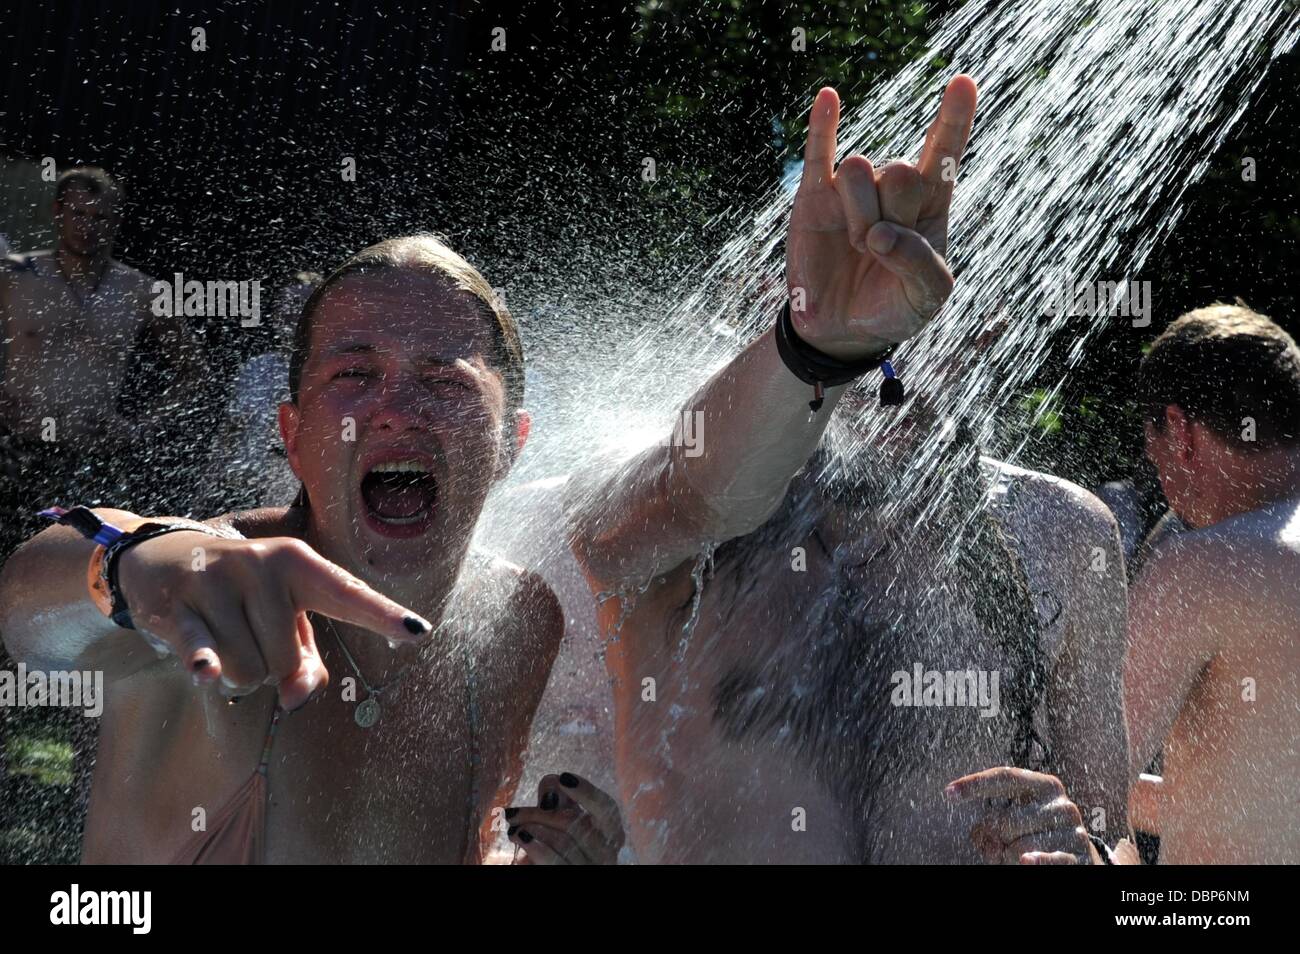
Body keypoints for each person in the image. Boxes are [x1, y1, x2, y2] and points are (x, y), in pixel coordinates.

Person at [569, 76, 1106, 863]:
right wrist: (816, 347)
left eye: (932, 292)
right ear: (778, 296)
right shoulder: (675, 499)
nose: (897, 323)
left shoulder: (1059, 534)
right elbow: (645, 523)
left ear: (990, 328)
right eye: (855, 275)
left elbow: (1117, 839)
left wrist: (1085, 854)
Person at [0, 235, 622, 864]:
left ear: (511, 444)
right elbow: (28, 609)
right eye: (354, 373)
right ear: (292, 436)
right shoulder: (211, 588)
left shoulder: (518, 621)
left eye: (445, 380)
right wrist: (131, 563)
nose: (398, 411)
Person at [955, 303, 1300, 865]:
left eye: (1154, 448)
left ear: (1182, 433)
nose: (1161, 477)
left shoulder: (1209, 565)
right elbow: (1256, 795)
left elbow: (1093, 789)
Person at [205, 270, 323, 511]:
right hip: (241, 491)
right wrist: (206, 484)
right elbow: (232, 429)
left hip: (296, 497)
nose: (290, 314)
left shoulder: (328, 373)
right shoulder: (258, 367)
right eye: (285, 306)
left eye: (300, 306)